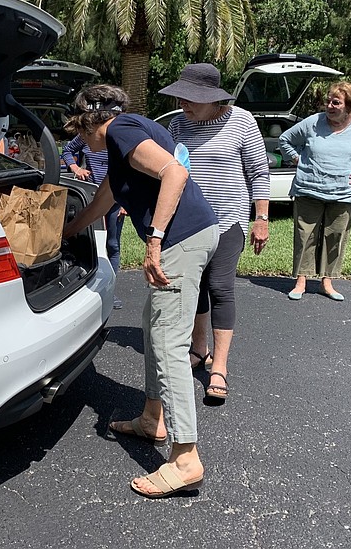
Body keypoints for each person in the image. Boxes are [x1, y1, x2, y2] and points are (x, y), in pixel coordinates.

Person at [62, 84, 219, 499]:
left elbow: (175, 173)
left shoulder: (120, 131)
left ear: (91, 119)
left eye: (79, 131)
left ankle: (185, 458)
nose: (80, 140)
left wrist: (154, 239)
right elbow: (107, 197)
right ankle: (153, 418)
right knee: (155, 327)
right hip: (194, 234)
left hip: (179, 240)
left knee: (169, 343)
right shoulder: (128, 137)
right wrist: (70, 230)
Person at [159, 63, 270, 404]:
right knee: (197, 287)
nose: (183, 104)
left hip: (228, 221)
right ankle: (199, 347)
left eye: (191, 98)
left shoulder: (241, 121)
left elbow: (258, 170)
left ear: (213, 99)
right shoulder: (178, 124)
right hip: (189, 223)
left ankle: (218, 366)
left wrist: (261, 217)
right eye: (181, 97)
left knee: (220, 286)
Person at [278, 81, 351, 301]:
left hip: (344, 192)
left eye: (336, 102)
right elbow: (285, 139)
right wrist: (295, 158)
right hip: (308, 189)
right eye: (328, 100)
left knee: (335, 236)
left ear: (349, 106)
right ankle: (301, 280)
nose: (329, 105)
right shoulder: (312, 123)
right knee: (305, 236)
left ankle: (327, 282)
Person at [61, 135, 126, 309]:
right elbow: (67, 150)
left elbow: (131, 167)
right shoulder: (88, 134)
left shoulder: (120, 136)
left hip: (115, 198)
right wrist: (76, 168)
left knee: (112, 245)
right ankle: (86, 286)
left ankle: (110, 289)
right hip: (91, 195)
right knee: (91, 242)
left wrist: (127, 201)